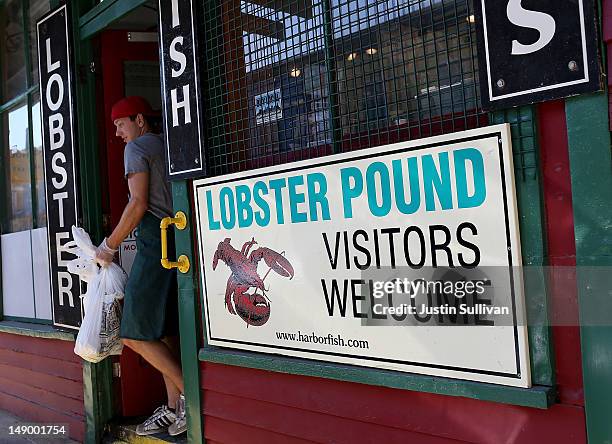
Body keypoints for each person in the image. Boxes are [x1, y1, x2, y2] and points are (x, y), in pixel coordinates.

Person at [95, 96, 186, 436]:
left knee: (132, 332)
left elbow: (138, 203)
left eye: (121, 123)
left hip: (157, 241)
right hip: (181, 237)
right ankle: (174, 407)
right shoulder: (167, 144)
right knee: (164, 331)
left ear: (139, 120)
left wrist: (109, 245)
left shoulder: (136, 149)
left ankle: (190, 399)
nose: (117, 132)